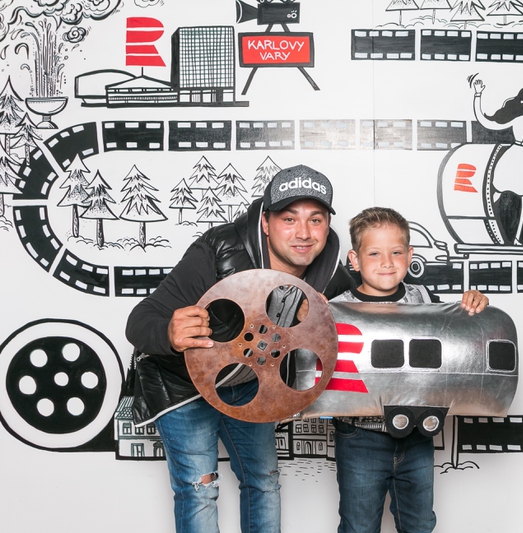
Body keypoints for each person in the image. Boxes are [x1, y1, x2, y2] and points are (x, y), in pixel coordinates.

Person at [125, 164, 354, 533]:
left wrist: (463, 307)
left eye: (316, 220)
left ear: (327, 226)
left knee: (263, 480)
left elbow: (378, 302)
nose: (303, 233)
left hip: (249, 383)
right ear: (265, 222)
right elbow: (140, 319)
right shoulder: (219, 250)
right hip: (183, 383)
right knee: (200, 489)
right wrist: (169, 331)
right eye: (289, 219)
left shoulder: (329, 276)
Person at [330, 207, 489, 533]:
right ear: (354, 260)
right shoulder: (336, 308)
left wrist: (474, 304)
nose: (387, 262)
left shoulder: (425, 299)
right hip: (360, 437)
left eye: (396, 252)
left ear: (410, 255)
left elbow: (458, 341)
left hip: (417, 435)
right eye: (374, 253)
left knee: (419, 524)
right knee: (358, 526)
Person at [472, 81, 523, 245]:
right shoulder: (516, 119)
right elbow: (486, 122)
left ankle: (518, 238)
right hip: (512, 156)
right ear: (522, 100)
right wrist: (478, 95)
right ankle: (484, 221)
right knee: (497, 189)